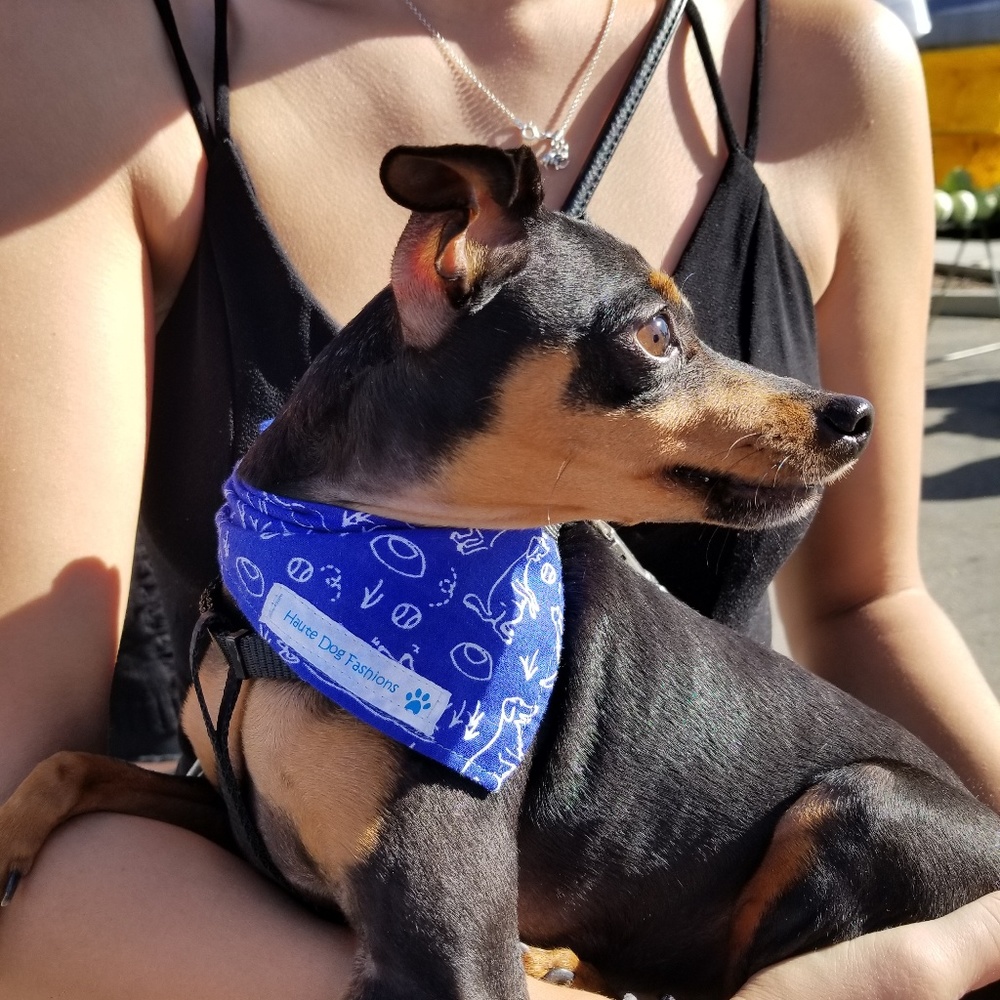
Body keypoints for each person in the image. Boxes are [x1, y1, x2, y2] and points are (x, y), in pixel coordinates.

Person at [1, 0, 998, 996]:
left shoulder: (820, 55)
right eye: (657, 341)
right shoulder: (87, 46)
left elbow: (870, 604)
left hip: (789, 881)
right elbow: (30, 805)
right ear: (437, 258)